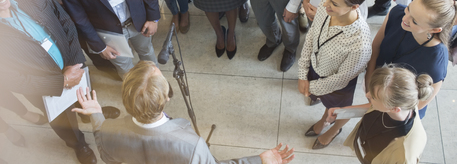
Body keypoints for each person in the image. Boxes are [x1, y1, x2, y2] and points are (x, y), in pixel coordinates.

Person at [72, 60, 295, 164]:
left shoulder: (110, 131)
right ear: (167, 98)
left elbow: (106, 154)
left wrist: (96, 115)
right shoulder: (191, 145)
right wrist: (260, 161)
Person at [0, 0, 120, 164]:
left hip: (73, 63)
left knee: (84, 95)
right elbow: (12, 79)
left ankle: (89, 114)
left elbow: (63, 18)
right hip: (44, 89)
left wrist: (76, 63)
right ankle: (78, 143)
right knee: (63, 121)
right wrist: (62, 82)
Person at [298, 0, 371, 149]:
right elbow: (311, 37)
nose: (325, 5)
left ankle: (332, 128)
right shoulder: (326, 7)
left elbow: (340, 79)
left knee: (337, 111)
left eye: (334, 3)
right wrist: (302, 74)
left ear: (354, 7)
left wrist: (310, 87)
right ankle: (323, 117)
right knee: (323, 101)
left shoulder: (360, 42)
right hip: (317, 68)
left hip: (337, 84)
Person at [365, 0, 457, 118]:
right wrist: (370, 88)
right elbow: (375, 48)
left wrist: (379, 102)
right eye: (409, 9)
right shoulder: (398, 13)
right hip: (379, 92)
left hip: (400, 110)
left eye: (415, 21)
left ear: (434, 30)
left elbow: (419, 104)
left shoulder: (436, 61)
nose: (405, 18)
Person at [328, 65, 434, 164]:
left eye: (374, 97)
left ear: (394, 109)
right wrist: (342, 111)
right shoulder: (405, 102)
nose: (367, 95)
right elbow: (371, 107)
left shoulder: (404, 153)